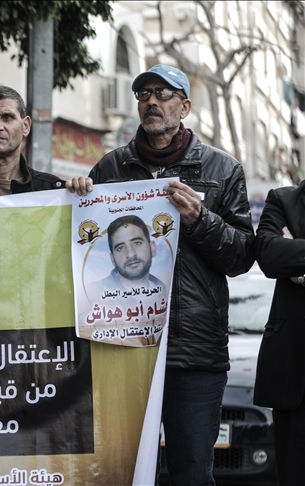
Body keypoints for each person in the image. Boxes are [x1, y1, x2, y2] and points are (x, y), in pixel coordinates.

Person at [68, 64, 254, 485]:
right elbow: (82, 250)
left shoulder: (222, 170)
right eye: (144, 94)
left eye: (163, 94)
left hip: (194, 354)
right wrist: (78, 197)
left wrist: (201, 220)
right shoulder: (109, 168)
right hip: (122, 349)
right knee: (125, 473)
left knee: (192, 473)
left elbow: (242, 257)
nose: (151, 101)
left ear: (184, 107)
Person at [252, 180, 305, 485]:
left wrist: (298, 267)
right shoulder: (283, 200)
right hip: (295, 381)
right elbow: (269, 256)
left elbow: (284, 256)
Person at [93, 215, 167, 300]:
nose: (131, 254)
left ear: (152, 248)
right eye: (120, 248)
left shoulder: (166, 289)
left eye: (137, 243)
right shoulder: (92, 294)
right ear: (112, 259)